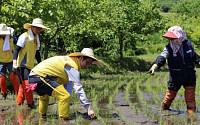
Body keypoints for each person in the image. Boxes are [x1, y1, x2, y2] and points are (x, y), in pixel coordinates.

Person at [28, 48, 101, 120]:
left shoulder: (69, 62)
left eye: (90, 64)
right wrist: (88, 108)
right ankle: (63, 121)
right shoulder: (72, 66)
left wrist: (66, 104)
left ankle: (42, 118)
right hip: (40, 76)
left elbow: (67, 87)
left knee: (44, 97)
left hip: (32, 76)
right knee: (64, 96)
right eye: (87, 63)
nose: (88, 66)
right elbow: (78, 89)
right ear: (81, 58)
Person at [149, 26, 200, 114]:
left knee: (190, 98)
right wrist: (154, 66)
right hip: (175, 77)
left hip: (189, 76)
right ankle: (164, 111)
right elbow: (162, 58)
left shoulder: (188, 44)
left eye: (173, 38)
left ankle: (191, 115)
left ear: (180, 36)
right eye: (170, 38)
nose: (171, 40)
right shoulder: (168, 48)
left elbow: (195, 57)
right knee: (169, 96)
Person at [12, 18, 49, 108]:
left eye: (40, 29)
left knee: (23, 84)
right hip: (22, 65)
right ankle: (30, 104)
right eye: (37, 28)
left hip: (30, 65)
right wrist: (14, 64)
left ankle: (19, 103)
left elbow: (37, 53)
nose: (38, 30)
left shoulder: (36, 38)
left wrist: (41, 64)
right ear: (32, 27)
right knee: (27, 84)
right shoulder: (24, 37)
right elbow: (16, 50)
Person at [0, 24, 19, 100]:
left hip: (11, 60)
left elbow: (18, 45)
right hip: (0, 60)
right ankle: (4, 93)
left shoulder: (11, 36)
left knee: (13, 77)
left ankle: (18, 93)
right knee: (2, 78)